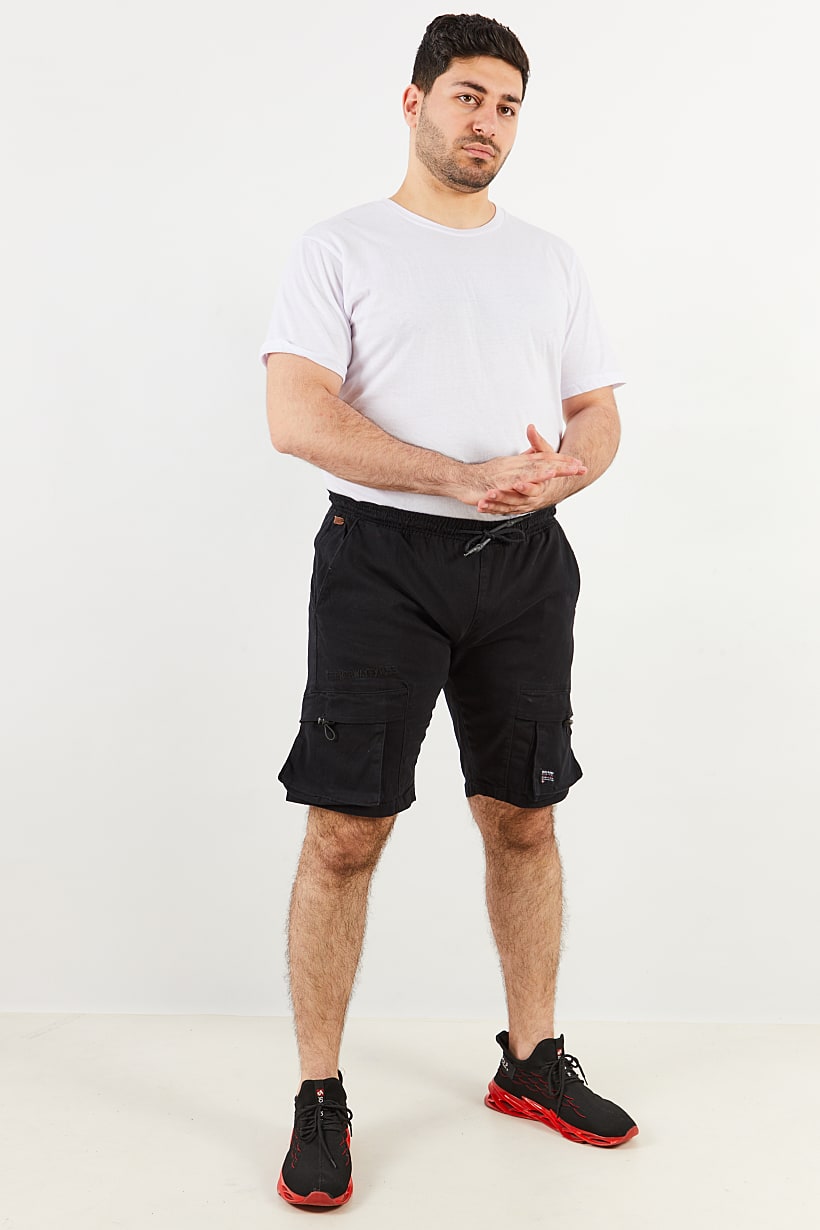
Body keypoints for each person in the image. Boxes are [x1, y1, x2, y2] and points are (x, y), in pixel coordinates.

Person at [259, 12, 638, 1210]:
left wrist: (560, 474)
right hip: (379, 563)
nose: (488, 123)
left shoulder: (547, 259)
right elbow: (297, 417)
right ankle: (319, 1093)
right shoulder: (340, 247)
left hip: (524, 564)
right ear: (414, 101)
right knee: (344, 832)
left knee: (524, 814)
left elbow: (596, 413)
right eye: (468, 96)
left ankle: (530, 1060)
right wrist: (456, 476)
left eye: (508, 106)